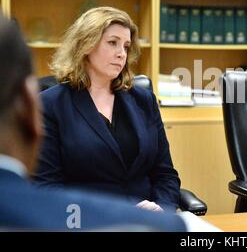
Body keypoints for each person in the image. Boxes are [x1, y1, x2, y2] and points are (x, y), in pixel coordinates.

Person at [0, 14, 186, 231]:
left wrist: (161, 210)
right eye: (112, 43)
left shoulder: (143, 100)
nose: (121, 54)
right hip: (83, 223)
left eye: (126, 46)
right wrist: (129, 213)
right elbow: (48, 187)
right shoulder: (51, 104)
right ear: (86, 44)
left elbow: (165, 173)